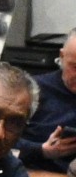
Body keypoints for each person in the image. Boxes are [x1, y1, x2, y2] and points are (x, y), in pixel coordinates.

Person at [16, 31, 76, 168]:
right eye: (75, 67)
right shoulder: (32, 91)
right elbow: (2, 139)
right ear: (62, 56)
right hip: (38, 172)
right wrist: (42, 150)